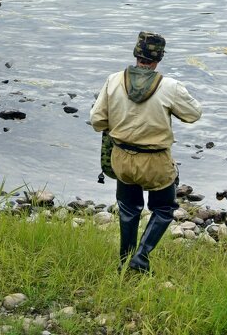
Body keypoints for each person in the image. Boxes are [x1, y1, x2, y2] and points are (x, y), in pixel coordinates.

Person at [89, 32, 202, 275]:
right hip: (155, 162)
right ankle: (141, 256)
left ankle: (124, 262)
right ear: (158, 58)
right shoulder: (170, 86)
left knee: (129, 209)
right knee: (163, 208)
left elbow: (97, 121)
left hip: (121, 159)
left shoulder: (113, 80)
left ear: (136, 54)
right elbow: (194, 114)